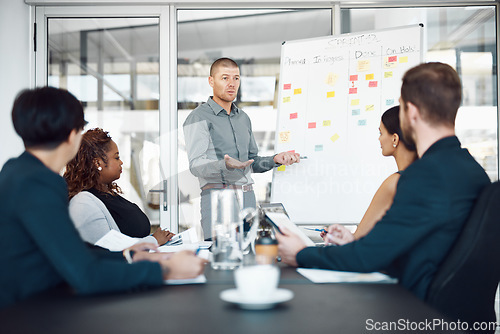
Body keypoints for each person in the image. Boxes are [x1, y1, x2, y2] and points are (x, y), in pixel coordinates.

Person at [276, 62, 491, 300]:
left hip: (420, 315)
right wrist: (353, 244)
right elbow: (434, 250)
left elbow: (368, 258)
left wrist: (301, 253)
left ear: (411, 112)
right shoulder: (471, 170)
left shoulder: (425, 175)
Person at [0, 87, 207, 308]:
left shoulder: (17, 172)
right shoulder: (38, 183)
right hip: (30, 313)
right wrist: (167, 269)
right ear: (72, 135)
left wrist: (130, 255)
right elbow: (85, 274)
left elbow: (72, 250)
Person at [183, 57, 301, 239]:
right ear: (211, 81)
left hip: (247, 199)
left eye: (236, 78)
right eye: (225, 78)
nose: (232, 84)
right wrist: (225, 165)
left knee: (249, 255)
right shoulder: (198, 117)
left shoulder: (243, 118)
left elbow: (252, 161)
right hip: (218, 201)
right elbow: (196, 165)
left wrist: (275, 159)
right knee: (220, 259)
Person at [321, 105, 417, 245]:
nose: (379, 139)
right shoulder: (426, 177)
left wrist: (340, 239)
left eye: (381, 133)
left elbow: (357, 239)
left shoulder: (395, 183)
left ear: (395, 139)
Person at [64, 128, 174, 245]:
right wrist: (154, 241)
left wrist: (158, 238)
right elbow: (108, 250)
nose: (121, 162)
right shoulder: (82, 203)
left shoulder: (108, 194)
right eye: (116, 157)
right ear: (97, 163)